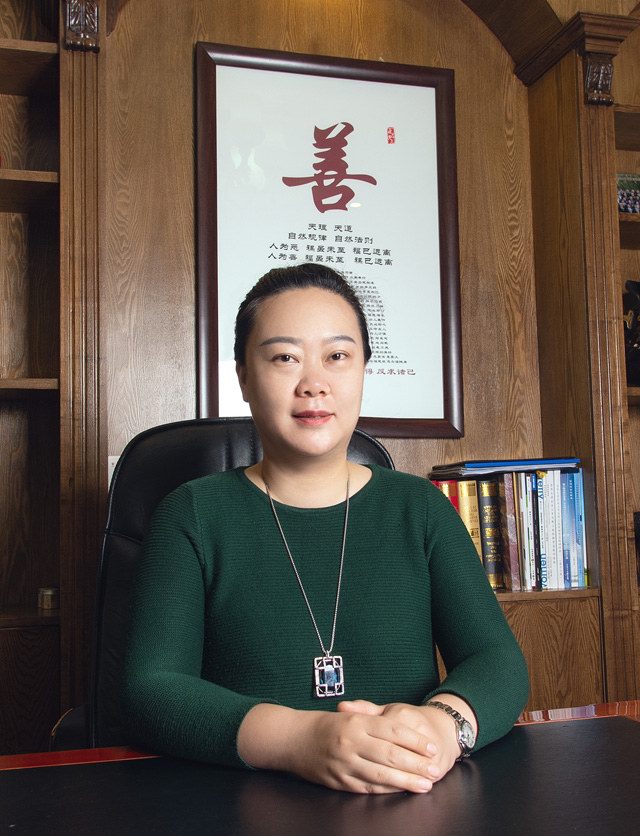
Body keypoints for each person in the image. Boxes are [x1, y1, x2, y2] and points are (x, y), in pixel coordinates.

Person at [123, 262, 529, 795]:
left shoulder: (420, 508)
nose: (314, 384)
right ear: (243, 377)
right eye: (284, 358)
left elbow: (497, 661)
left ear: (363, 371)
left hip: (412, 797)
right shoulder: (191, 513)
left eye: (337, 356)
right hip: (245, 803)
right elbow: (152, 689)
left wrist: (442, 727)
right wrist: (301, 740)